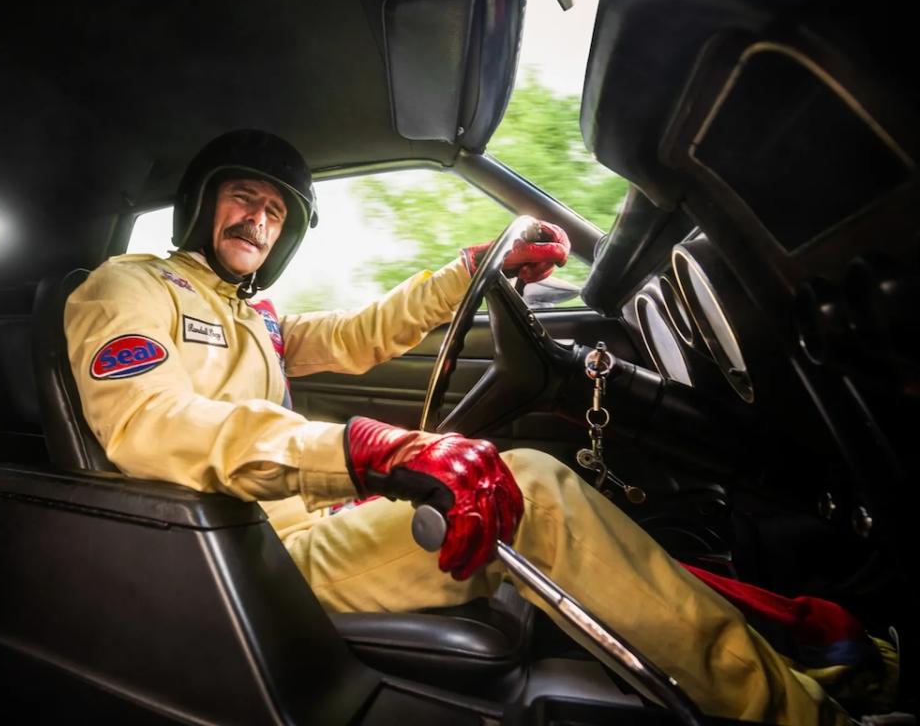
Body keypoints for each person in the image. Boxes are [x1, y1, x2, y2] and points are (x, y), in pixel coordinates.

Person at [65, 129, 847, 725]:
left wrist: (470, 274)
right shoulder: (131, 285)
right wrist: (362, 451)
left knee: (510, 474)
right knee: (528, 488)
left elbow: (358, 334)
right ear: (203, 203)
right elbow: (148, 423)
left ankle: (802, 649)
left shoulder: (253, 314)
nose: (259, 220)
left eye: (275, 211)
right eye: (244, 197)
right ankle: (797, 715)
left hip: (298, 529)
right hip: (235, 553)